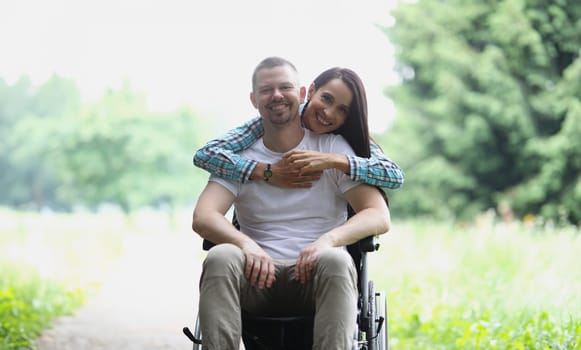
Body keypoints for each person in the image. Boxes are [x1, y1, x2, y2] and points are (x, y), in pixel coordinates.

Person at [192, 56, 391, 349]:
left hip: (315, 276)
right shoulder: (240, 158)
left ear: (300, 94)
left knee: (337, 258)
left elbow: (378, 215)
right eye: (266, 90)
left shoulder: (331, 149)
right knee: (221, 256)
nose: (276, 96)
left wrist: (328, 241)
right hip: (254, 276)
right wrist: (245, 244)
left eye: (284, 87)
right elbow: (203, 217)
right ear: (253, 100)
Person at [193, 67, 404, 190]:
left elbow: (394, 176)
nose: (329, 113)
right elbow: (206, 154)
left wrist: (334, 160)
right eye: (326, 99)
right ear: (311, 91)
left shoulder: (345, 136)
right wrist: (267, 172)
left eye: (342, 110)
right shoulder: (279, 118)